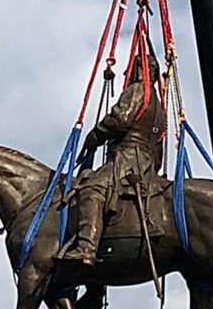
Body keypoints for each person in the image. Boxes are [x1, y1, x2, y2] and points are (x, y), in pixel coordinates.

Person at [58, 49, 167, 266]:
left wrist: (96, 135)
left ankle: (86, 248)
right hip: (145, 163)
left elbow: (120, 119)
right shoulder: (159, 108)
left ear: (142, 70)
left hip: (127, 157)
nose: (129, 72)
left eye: (133, 68)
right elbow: (158, 150)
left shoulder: (139, 90)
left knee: (92, 188)